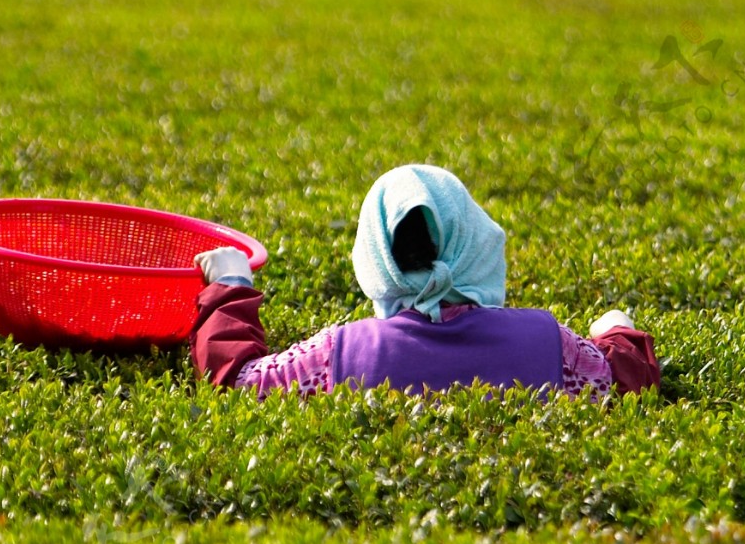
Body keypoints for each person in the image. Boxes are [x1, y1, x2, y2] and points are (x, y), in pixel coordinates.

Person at [189, 163, 662, 398]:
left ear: (376, 262)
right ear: (476, 242)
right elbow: (628, 379)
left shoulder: (341, 353)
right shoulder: (550, 342)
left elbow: (238, 380)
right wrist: (616, 326)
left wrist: (232, 286)